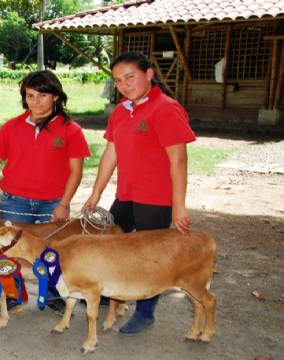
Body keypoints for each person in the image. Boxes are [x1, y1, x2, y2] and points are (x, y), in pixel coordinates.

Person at [81, 51, 196, 336]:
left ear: (149, 74)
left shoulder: (165, 108)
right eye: (118, 80)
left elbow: (178, 160)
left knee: (149, 258)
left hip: (156, 199)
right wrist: (95, 194)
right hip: (128, 194)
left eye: (130, 77)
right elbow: (110, 153)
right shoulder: (121, 110)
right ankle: (112, 294)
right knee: (108, 242)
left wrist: (178, 205)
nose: (124, 84)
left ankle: (145, 312)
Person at [0, 69, 91, 312]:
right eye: (29, 95)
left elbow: (75, 172)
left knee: (51, 251)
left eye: (42, 95)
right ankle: (14, 294)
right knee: (11, 249)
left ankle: (52, 294)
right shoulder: (11, 127)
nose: (35, 101)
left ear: (56, 96)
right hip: (14, 201)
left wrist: (64, 204)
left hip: (52, 203)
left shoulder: (71, 130)